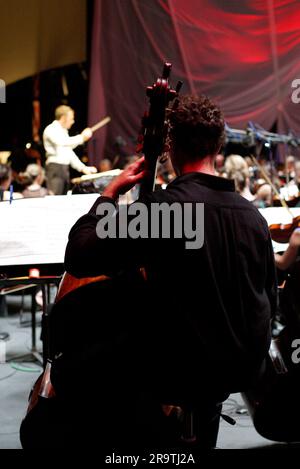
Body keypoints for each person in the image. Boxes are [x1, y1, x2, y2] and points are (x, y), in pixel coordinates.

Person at [48, 95, 277, 450]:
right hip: (243, 366)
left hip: (179, 369)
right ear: (218, 145)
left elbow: (80, 255)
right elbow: (268, 300)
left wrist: (108, 194)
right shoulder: (253, 217)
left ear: (169, 147)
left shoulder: (167, 212)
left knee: (69, 371)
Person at [43, 105, 97, 195]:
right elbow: (63, 142)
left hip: (64, 169)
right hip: (55, 168)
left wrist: (83, 168)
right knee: (55, 199)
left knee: (63, 198)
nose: (73, 121)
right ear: (63, 118)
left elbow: (68, 152)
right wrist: (82, 137)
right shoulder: (51, 129)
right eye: (71, 118)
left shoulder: (63, 132)